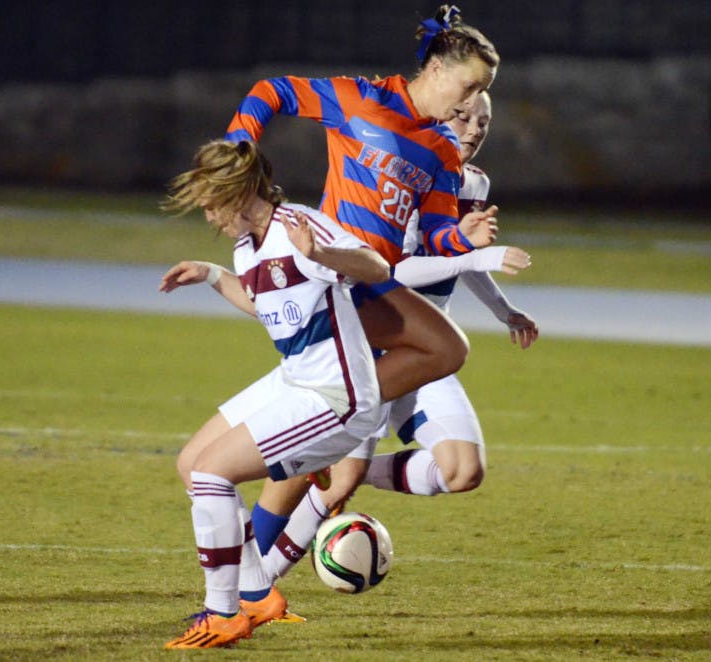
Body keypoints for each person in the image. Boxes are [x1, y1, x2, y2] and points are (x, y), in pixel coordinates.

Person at [220, 4, 507, 611]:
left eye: (482, 92)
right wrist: (238, 146)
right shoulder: (358, 98)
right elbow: (271, 90)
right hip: (334, 292)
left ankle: (253, 589)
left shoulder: (443, 154)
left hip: (374, 293)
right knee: (307, 464)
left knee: (347, 456)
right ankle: (246, 589)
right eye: (469, 86)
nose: (471, 104)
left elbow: (435, 234)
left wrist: (468, 242)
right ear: (434, 68)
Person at [253, 90, 540, 587]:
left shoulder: (473, 182)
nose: (474, 129)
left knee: (462, 471)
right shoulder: (408, 174)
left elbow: (457, 257)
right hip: (372, 345)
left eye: (484, 123)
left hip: (427, 348)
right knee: (326, 478)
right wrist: (475, 255)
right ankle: (256, 588)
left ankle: (343, 473)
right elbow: (395, 270)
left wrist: (503, 310)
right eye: (463, 116)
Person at [157, 139, 390, 650]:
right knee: (192, 463)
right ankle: (258, 593)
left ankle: (225, 613)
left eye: (211, 205)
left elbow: (376, 267)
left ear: (237, 193)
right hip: (295, 376)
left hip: (337, 397)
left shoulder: (297, 225)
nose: (209, 218)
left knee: (212, 473)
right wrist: (213, 275)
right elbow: (268, 307)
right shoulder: (246, 247)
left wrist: (321, 253)